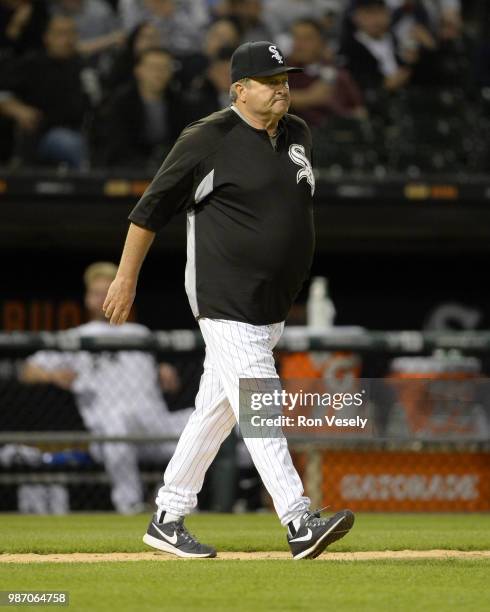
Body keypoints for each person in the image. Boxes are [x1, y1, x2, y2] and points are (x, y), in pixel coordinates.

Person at [103, 40, 355, 559]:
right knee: (260, 404)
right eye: (270, 79)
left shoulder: (298, 133)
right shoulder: (208, 138)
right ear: (240, 89)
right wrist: (125, 279)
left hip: (271, 305)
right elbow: (148, 212)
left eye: (285, 77)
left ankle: (168, 516)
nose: (282, 86)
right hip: (225, 299)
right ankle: (297, 519)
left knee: (216, 411)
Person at [21, 262, 190, 515]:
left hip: (155, 426)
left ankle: (244, 494)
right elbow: (27, 370)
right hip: (109, 435)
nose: (102, 298)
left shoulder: (139, 333)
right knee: (116, 421)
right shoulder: (77, 336)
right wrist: (53, 375)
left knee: (206, 418)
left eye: (107, 290)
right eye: (96, 292)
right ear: (87, 299)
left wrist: (163, 372)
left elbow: (157, 377)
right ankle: (129, 504)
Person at [0, 15, 94, 168]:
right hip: (44, 135)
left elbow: (97, 101)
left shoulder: (84, 67)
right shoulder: (31, 65)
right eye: (61, 34)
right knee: (69, 143)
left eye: (72, 33)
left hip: (83, 132)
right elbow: (3, 92)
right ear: (47, 37)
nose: (68, 39)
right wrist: (17, 109)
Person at [97, 47, 184, 167]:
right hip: (128, 167)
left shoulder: (180, 102)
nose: (159, 73)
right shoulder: (120, 103)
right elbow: (116, 144)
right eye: (153, 67)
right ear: (138, 70)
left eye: (164, 67)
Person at [287, 18, 365, 127]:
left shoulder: (338, 73)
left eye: (307, 39)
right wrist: (310, 97)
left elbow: (359, 109)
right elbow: (267, 100)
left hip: (339, 134)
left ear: (322, 43)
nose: (299, 45)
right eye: (296, 38)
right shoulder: (281, 69)